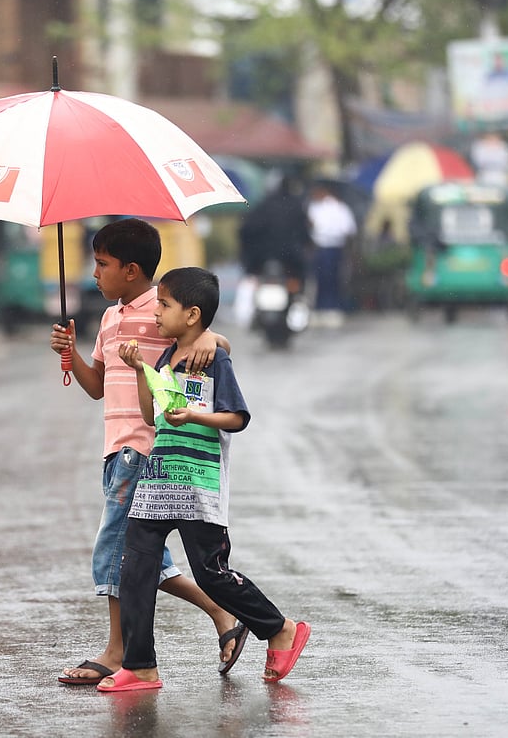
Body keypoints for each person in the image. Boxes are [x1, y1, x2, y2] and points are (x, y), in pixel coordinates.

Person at [48, 218, 244, 685]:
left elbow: (211, 341)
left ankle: (118, 651)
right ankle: (223, 615)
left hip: (146, 448)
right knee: (144, 558)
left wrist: (213, 339)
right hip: (115, 450)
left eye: (102, 264)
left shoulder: (160, 313)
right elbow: (96, 387)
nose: (94, 273)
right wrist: (70, 352)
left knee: (114, 550)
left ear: (131, 269)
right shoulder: (110, 317)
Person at [101, 267, 309, 692]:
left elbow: (237, 418)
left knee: (211, 574)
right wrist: (142, 369)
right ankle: (140, 666)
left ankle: (280, 628)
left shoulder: (214, 358)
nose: (157, 313)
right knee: (135, 568)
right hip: (158, 481)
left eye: (164, 305)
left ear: (192, 314)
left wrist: (195, 414)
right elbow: (150, 415)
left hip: (198, 484)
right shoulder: (165, 356)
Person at [306, 181, 357, 322]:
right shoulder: (340, 208)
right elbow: (349, 231)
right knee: (328, 279)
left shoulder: (329, 208)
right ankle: (327, 308)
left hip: (328, 247)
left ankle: (327, 307)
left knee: (327, 279)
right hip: (328, 247)